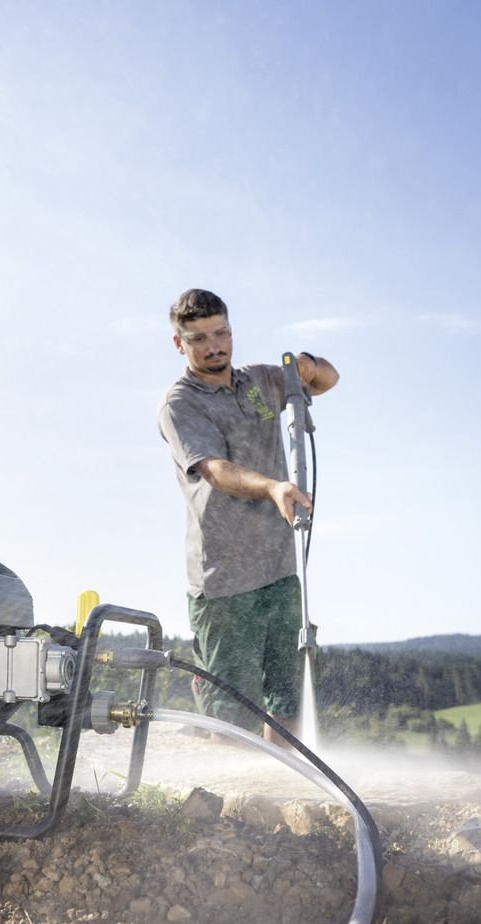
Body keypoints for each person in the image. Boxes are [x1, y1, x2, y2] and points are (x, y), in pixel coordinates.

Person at [157, 288, 339, 743]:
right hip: (223, 581)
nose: (213, 345)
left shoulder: (259, 381)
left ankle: (277, 797)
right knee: (231, 715)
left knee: (286, 702)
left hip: (278, 567)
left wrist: (308, 366)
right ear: (180, 344)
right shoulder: (179, 404)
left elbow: (328, 380)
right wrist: (273, 486)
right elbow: (216, 471)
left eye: (220, 333)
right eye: (198, 338)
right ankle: (229, 807)